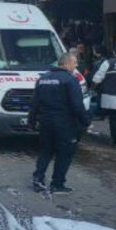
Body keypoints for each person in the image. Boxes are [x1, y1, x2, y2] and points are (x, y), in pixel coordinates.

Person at [28, 53, 90, 193]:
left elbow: (35, 102)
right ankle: (57, 183)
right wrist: (85, 121)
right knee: (65, 153)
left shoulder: (43, 79)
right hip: (65, 123)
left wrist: (31, 120)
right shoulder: (70, 80)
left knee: (45, 151)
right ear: (66, 64)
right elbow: (77, 105)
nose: (76, 66)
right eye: (74, 63)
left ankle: (38, 178)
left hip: (46, 122)